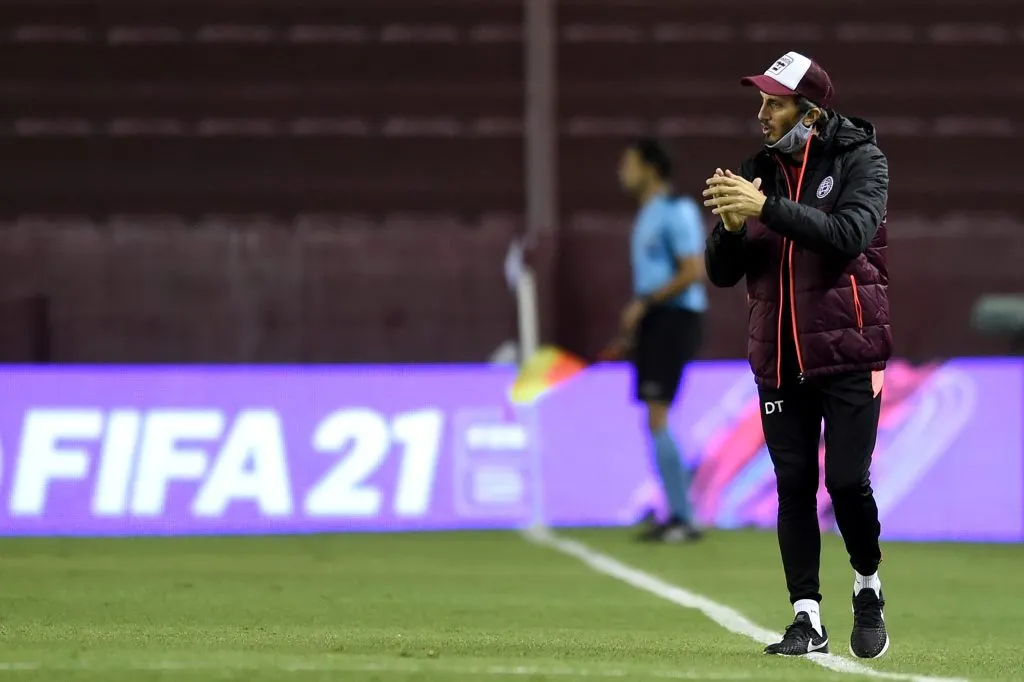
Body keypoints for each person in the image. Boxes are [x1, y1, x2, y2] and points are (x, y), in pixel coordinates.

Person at [701, 52, 892, 659]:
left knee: (846, 482)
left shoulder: (862, 159)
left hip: (848, 349)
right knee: (792, 486)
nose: (760, 114)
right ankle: (806, 618)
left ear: (809, 113)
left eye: (773, 103)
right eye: (760, 101)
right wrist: (731, 228)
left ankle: (867, 584)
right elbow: (722, 274)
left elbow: (849, 236)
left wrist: (764, 210)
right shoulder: (756, 172)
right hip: (778, 356)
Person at [616, 137, 706, 543]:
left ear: (650, 168)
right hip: (656, 321)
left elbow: (693, 271)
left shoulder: (676, 211)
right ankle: (676, 512)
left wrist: (647, 303)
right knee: (655, 416)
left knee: (657, 415)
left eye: (629, 164)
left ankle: (683, 518)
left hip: (674, 318)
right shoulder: (647, 215)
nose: (623, 172)